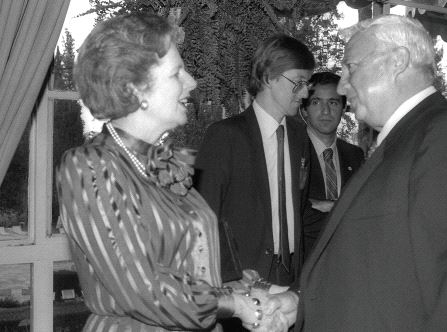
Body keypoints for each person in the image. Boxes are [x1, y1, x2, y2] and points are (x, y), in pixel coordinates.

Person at [268, 14, 447, 331]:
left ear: (397, 61)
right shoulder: (408, 139)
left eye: (350, 68)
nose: (343, 85)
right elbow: (386, 264)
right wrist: (301, 300)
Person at [56, 13, 287, 332]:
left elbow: (198, 270)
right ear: (136, 88)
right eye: (177, 73)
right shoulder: (87, 165)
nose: (192, 82)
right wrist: (237, 306)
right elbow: (143, 289)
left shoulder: (165, 163)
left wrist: (251, 293)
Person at [194, 34, 315, 288]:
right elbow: (203, 215)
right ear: (270, 78)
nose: (305, 93)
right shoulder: (225, 135)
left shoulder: (300, 136)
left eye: (308, 84)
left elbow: (299, 209)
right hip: (243, 279)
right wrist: (229, 274)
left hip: (292, 276)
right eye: (299, 82)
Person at [299, 71, 364, 257]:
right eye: (316, 102)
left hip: (348, 260)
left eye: (333, 103)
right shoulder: (292, 151)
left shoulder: (355, 155)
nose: (325, 111)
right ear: (304, 109)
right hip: (302, 264)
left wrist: (327, 206)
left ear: (343, 109)